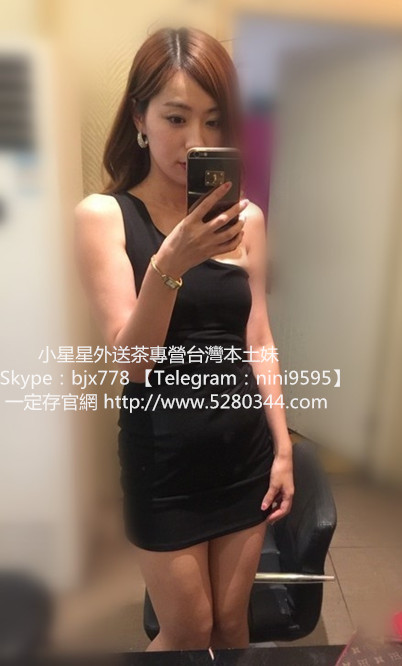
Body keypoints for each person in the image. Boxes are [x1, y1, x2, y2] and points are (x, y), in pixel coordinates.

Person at [74, 25, 294, 652]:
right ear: (139, 118)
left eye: (214, 121)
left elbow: (258, 338)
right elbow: (134, 362)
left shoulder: (247, 219)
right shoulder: (104, 217)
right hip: (163, 458)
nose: (197, 140)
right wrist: (171, 261)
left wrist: (282, 447)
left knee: (232, 626)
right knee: (187, 631)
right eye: (176, 117)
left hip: (244, 450)